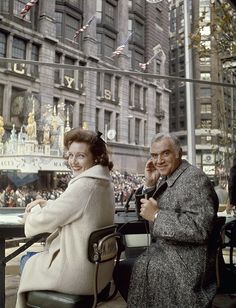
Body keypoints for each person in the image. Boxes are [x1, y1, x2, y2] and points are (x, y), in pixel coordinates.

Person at [115, 132, 219, 308]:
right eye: (154, 155)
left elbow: (201, 228)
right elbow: (145, 214)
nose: (159, 160)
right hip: (167, 254)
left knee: (129, 269)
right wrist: (149, 185)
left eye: (165, 153)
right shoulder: (170, 177)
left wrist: (157, 215)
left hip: (186, 262)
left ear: (178, 153)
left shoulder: (194, 178)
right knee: (126, 268)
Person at [16, 128, 115, 308]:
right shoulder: (103, 182)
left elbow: (41, 222)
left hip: (78, 274)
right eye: (70, 155)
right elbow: (75, 209)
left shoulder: (85, 185)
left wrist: (31, 214)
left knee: (25, 261)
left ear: (95, 157)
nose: (73, 162)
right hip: (99, 271)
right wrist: (47, 204)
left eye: (80, 156)